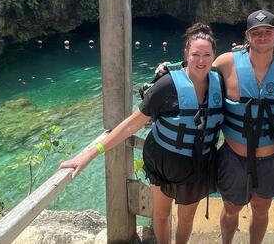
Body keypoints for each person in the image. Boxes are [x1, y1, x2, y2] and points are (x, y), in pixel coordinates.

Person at [61, 23, 225, 244]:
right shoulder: (167, 85)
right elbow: (131, 124)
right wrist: (89, 154)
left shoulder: (220, 83)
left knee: (186, 218)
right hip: (164, 160)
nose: (201, 61)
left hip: (198, 163)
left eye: (207, 54)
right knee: (162, 213)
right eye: (195, 54)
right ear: (186, 53)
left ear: (215, 55)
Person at [156, 10, 274, 244]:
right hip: (234, 157)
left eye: (267, 32)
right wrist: (168, 68)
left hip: (271, 158)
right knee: (231, 209)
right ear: (247, 36)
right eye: (256, 32)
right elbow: (198, 67)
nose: (262, 36)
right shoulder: (227, 62)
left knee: (262, 209)